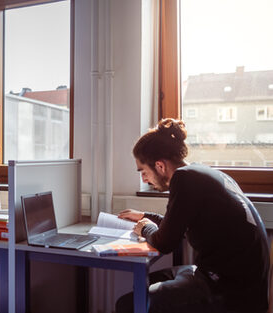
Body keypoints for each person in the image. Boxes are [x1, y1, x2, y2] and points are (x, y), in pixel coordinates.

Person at [115, 118, 269, 313]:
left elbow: (164, 243)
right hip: (244, 286)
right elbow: (178, 226)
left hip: (230, 291)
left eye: (143, 171)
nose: (144, 179)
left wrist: (145, 227)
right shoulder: (198, 173)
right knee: (144, 284)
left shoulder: (183, 179)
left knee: (128, 304)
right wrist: (145, 216)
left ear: (160, 166)